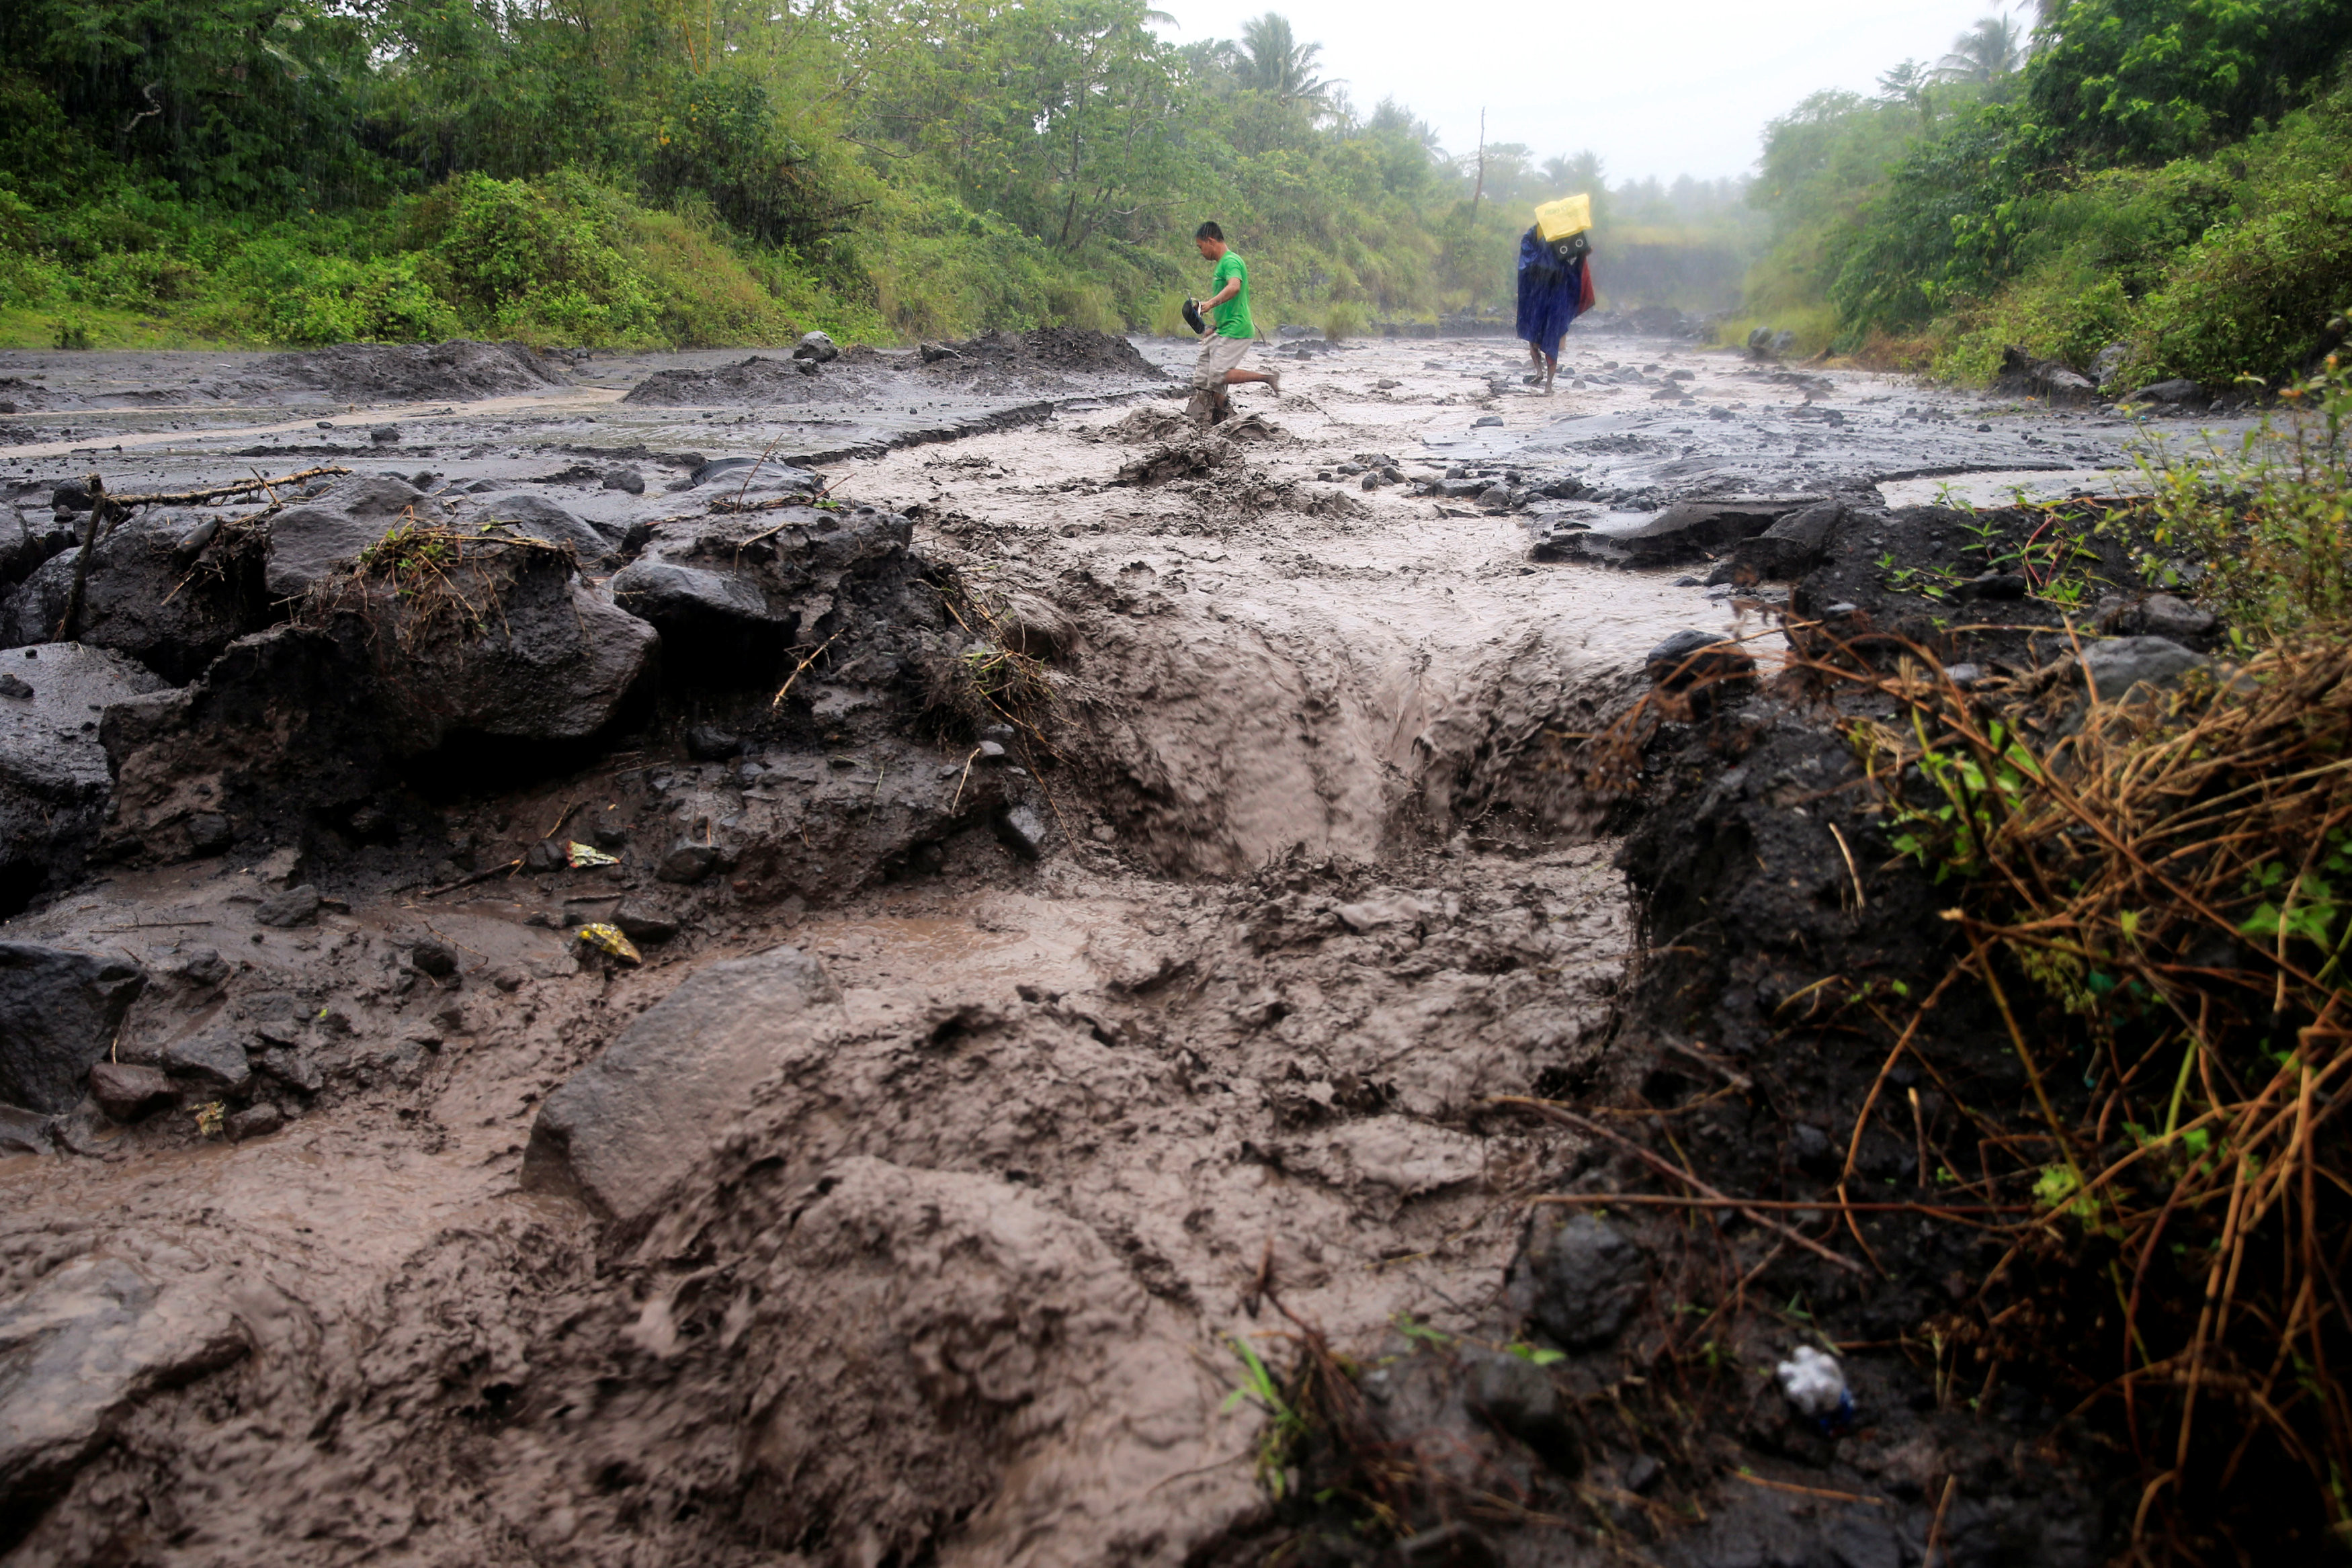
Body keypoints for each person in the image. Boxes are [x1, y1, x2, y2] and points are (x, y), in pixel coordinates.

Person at [1185, 221, 1279, 423]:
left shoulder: (1231, 261)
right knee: (1204, 377)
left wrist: (1209, 304)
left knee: (1219, 374)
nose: (1201, 252)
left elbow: (1234, 287)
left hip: (1237, 329)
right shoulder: (1223, 263)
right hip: (1224, 329)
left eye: (1201, 247)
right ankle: (1216, 417)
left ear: (1211, 241)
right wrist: (1213, 328)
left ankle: (1267, 378)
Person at [1515, 224, 1594, 393]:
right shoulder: (1537, 234)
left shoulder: (1562, 238)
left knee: (1551, 341)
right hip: (1540, 297)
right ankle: (1540, 373)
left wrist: (1582, 255)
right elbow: (1527, 248)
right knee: (1534, 340)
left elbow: (1574, 259)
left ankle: (1548, 384)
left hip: (1554, 299)